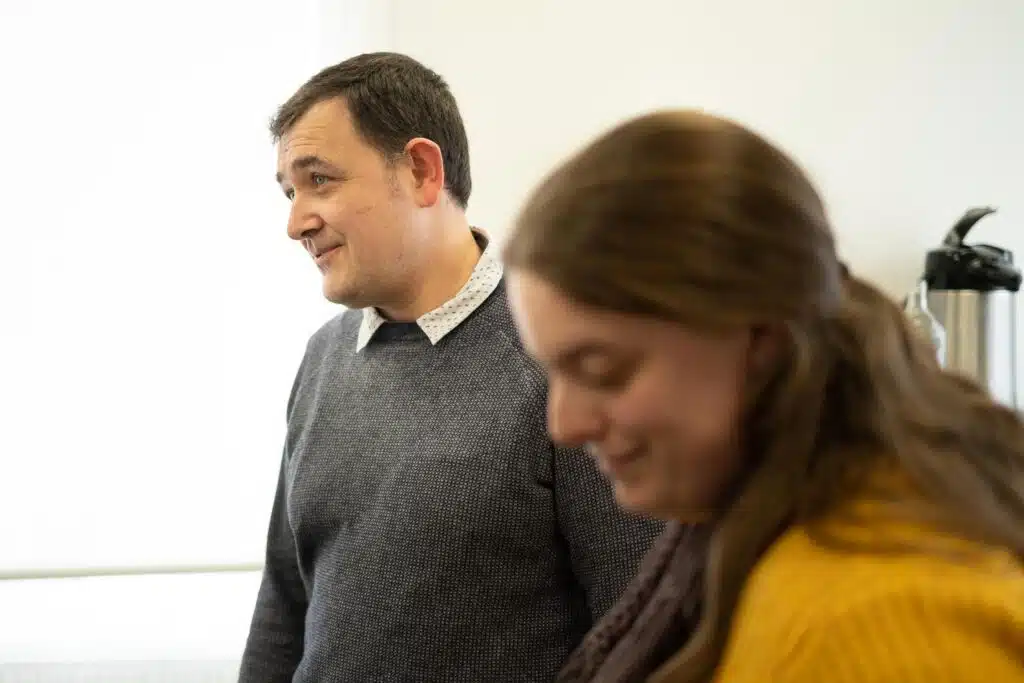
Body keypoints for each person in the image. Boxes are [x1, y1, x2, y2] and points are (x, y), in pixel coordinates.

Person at [503, 109, 1024, 682]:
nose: (564, 425)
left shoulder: (871, 626)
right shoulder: (754, 534)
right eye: (553, 372)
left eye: (603, 369)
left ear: (762, 338)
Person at [237, 52, 664, 683]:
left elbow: (639, 629)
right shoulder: (323, 357)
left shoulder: (559, 359)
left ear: (421, 170)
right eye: (289, 191)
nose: (296, 221)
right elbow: (284, 606)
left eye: (319, 179)